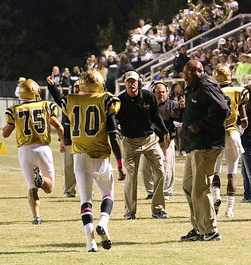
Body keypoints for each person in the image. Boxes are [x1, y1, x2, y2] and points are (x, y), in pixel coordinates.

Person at [49, 70, 125, 252]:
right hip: (100, 156)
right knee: (107, 193)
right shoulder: (106, 100)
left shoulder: (72, 100)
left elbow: (60, 100)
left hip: (80, 157)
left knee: (85, 199)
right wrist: (120, 165)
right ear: (100, 84)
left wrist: (52, 86)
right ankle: (103, 223)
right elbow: (114, 136)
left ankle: (89, 241)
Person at [3, 79, 66, 225]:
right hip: (43, 148)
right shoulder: (45, 106)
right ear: (36, 92)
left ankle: (36, 217)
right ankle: (42, 180)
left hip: (25, 150)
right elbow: (60, 127)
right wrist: (62, 142)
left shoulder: (15, 110)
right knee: (49, 187)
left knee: (32, 187)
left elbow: (6, 134)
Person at [181, 60, 229, 241]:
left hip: (207, 144)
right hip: (194, 144)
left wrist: (201, 125)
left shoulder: (206, 86)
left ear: (198, 71)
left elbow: (223, 109)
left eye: (188, 72)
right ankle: (199, 227)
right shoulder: (193, 87)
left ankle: (210, 230)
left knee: (200, 188)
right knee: (188, 186)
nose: (184, 76)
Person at [117, 70, 170, 220]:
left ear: (138, 82)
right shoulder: (120, 100)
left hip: (149, 139)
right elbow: (114, 119)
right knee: (131, 176)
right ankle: (130, 212)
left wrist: (165, 132)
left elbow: (156, 116)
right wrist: (117, 129)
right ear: (125, 83)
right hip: (130, 142)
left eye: (134, 81)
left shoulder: (148, 96)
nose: (131, 84)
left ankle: (158, 209)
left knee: (160, 171)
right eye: (128, 81)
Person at [211, 65, 249, 218]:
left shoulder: (211, 92)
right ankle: (230, 209)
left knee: (215, 171)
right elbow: (244, 117)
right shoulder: (238, 92)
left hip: (216, 134)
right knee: (232, 173)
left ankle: (216, 195)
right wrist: (243, 123)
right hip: (233, 133)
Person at [142, 81, 185, 200]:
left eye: (163, 92)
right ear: (153, 93)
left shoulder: (172, 105)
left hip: (166, 140)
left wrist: (182, 109)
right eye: (158, 92)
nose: (161, 95)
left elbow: (181, 118)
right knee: (145, 167)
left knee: (167, 166)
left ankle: (166, 191)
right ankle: (151, 191)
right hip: (149, 140)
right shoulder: (148, 105)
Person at [47, 79, 80, 197]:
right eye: (76, 87)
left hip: (83, 140)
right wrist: (52, 86)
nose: (77, 89)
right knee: (68, 166)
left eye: (80, 87)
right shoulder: (67, 101)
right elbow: (58, 97)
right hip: (68, 138)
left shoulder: (88, 101)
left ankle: (86, 191)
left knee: (84, 168)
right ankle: (69, 190)